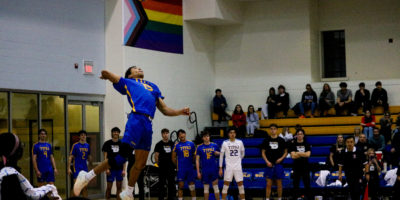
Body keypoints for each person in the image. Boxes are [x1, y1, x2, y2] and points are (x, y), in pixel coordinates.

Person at [73, 67, 190, 200]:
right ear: (130, 75)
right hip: (137, 120)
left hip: (148, 124)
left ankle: (128, 191)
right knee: (121, 157)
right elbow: (113, 77)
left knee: (140, 163)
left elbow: (164, 109)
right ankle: (87, 176)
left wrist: (180, 112)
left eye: (139, 67)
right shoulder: (129, 82)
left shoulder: (153, 86)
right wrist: (106, 75)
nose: (139, 68)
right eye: (135, 68)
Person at [0, 132, 61, 200]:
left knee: (51, 186)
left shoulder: (48, 145)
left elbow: (51, 157)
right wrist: (37, 170)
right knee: (42, 185)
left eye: (44, 134)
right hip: (41, 168)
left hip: (49, 169)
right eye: (20, 145)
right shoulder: (9, 176)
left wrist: (54, 168)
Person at [261, 124, 287, 200]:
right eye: (271, 129)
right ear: (269, 130)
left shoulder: (281, 140)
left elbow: (286, 152)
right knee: (268, 184)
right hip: (269, 164)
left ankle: (279, 198)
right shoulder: (266, 140)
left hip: (279, 164)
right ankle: (267, 198)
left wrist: (281, 159)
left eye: (274, 129)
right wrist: (267, 161)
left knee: (279, 183)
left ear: (277, 130)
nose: (273, 130)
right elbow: (263, 152)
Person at [219, 128, 245, 200]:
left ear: (235, 134)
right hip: (228, 167)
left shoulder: (240, 142)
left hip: (237, 167)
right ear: (228, 134)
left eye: (233, 133)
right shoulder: (225, 143)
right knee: (225, 185)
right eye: (230, 133)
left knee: (240, 185)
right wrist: (220, 168)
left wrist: (238, 160)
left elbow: (243, 153)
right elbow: (221, 156)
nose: (232, 134)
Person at [102, 127, 126, 200]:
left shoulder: (122, 143)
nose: (115, 133)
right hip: (110, 168)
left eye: (117, 132)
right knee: (109, 187)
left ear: (119, 133)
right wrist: (106, 168)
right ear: (112, 133)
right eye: (114, 132)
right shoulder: (107, 143)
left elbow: (124, 157)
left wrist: (124, 170)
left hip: (119, 168)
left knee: (119, 187)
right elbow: (105, 157)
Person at [172, 129, 196, 200]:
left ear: (185, 134)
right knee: (181, 186)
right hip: (181, 169)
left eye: (182, 133)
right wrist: (178, 165)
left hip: (190, 168)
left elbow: (194, 155)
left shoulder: (191, 144)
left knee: (192, 186)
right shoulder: (176, 145)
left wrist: (192, 162)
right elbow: (173, 158)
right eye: (179, 134)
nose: (181, 135)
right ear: (178, 137)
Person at [196, 131, 220, 200]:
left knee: (216, 187)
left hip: (213, 169)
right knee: (206, 188)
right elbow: (197, 160)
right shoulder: (199, 147)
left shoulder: (214, 145)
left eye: (207, 136)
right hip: (205, 170)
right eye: (205, 136)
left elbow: (221, 154)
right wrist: (198, 172)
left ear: (209, 137)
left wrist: (217, 153)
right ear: (202, 138)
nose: (206, 138)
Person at [154, 128, 176, 200]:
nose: (165, 135)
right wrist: (159, 165)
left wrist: (175, 165)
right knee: (161, 184)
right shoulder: (158, 144)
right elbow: (156, 156)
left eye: (167, 133)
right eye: (164, 133)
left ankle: (170, 198)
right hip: (162, 167)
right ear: (162, 135)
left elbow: (175, 155)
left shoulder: (172, 144)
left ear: (168, 134)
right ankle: (161, 198)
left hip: (171, 167)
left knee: (171, 184)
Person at [68, 130, 91, 198]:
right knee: (76, 187)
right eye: (82, 135)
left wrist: (91, 164)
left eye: (84, 135)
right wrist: (68, 168)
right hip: (77, 168)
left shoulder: (87, 145)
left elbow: (89, 156)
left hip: (85, 168)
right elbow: (70, 157)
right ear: (79, 136)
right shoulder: (75, 145)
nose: (83, 136)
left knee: (85, 187)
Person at [289, 129, 311, 199]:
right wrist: (303, 154)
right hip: (296, 167)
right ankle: (296, 197)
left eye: (301, 134)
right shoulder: (293, 144)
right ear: (296, 135)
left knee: (307, 184)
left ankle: (308, 197)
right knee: (296, 185)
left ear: (303, 135)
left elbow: (308, 155)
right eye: (298, 134)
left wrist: (297, 153)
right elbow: (293, 156)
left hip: (305, 167)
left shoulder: (307, 144)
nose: (300, 135)